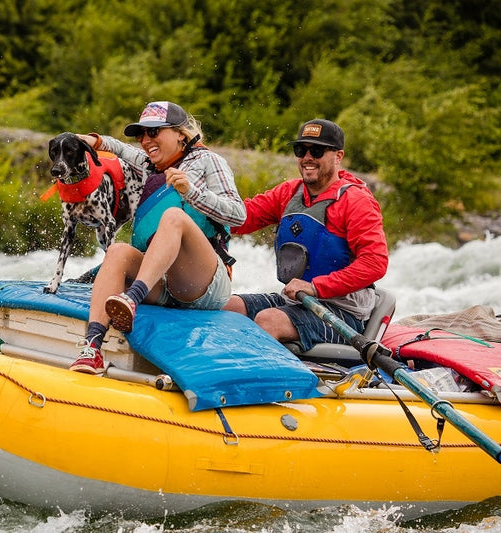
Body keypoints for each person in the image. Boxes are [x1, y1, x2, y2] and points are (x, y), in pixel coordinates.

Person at [69, 101, 246, 374]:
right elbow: (119, 148)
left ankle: (132, 298)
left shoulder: (210, 161)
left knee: (173, 216)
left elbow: (238, 214)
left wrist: (192, 193)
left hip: (204, 284)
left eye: (154, 132)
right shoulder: (150, 164)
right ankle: (92, 348)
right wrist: (94, 140)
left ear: (180, 134)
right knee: (117, 250)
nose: (145, 141)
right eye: (141, 135)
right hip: (162, 284)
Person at [223, 118, 389, 352]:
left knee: (268, 320)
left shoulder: (357, 202)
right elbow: (241, 217)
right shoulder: (289, 192)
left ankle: (253, 384)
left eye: (317, 151)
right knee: (225, 306)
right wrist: (198, 216)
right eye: (301, 150)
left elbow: (375, 263)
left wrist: (317, 287)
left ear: (338, 156)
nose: (307, 157)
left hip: (344, 315)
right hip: (296, 301)